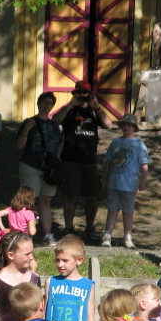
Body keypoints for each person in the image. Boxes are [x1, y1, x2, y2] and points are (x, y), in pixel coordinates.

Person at [52, 80, 113, 239]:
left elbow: (108, 124)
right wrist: (69, 105)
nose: (82, 96)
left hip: (90, 161)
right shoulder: (69, 110)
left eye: (85, 93)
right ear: (74, 94)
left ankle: (89, 227)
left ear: (90, 94)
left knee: (92, 196)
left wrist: (97, 107)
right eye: (78, 93)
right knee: (70, 195)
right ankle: (69, 228)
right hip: (70, 159)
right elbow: (55, 121)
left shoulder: (93, 111)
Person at [16, 91, 63, 246]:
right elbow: (19, 146)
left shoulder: (54, 125)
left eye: (50, 103)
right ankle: (23, 234)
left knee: (46, 201)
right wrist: (26, 130)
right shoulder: (29, 122)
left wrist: (56, 158)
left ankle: (48, 235)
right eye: (44, 102)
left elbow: (60, 142)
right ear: (38, 104)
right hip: (30, 165)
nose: (47, 105)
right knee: (28, 200)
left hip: (48, 169)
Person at [100, 114, 149, 249]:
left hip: (130, 184)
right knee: (112, 210)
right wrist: (104, 178)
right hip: (113, 182)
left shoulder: (139, 144)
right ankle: (107, 235)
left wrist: (143, 181)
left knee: (128, 211)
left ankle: (127, 237)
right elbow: (108, 162)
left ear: (134, 127)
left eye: (129, 125)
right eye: (124, 125)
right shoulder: (115, 142)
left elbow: (144, 165)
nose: (126, 127)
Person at [0, 186, 38, 255]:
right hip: (23, 239)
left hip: (12, 237)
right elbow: (32, 232)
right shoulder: (29, 213)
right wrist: (34, 223)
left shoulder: (11, 209)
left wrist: (3, 228)